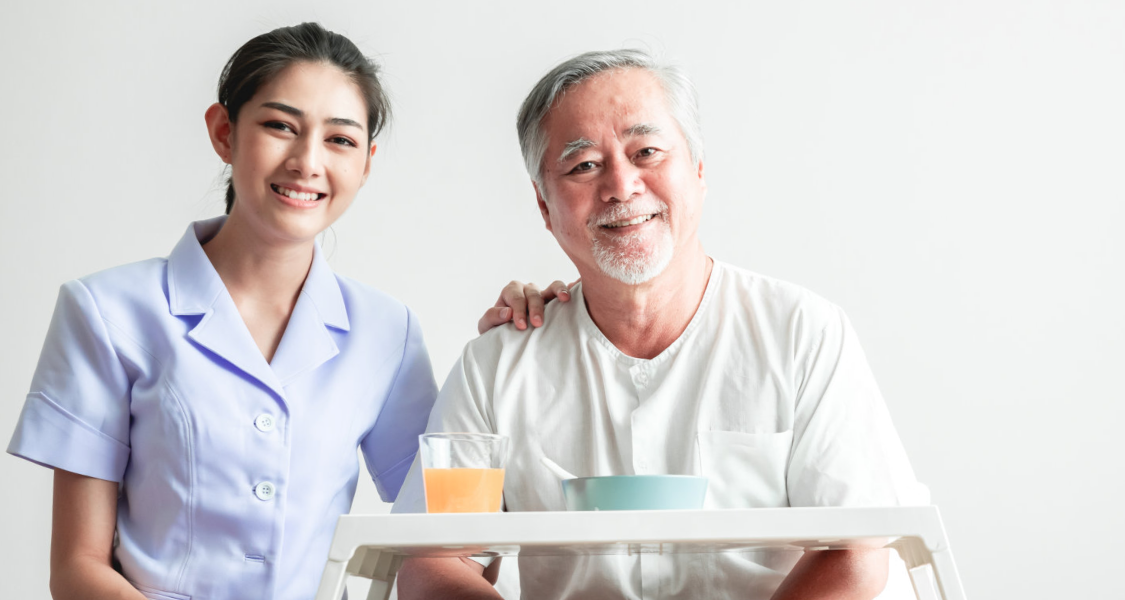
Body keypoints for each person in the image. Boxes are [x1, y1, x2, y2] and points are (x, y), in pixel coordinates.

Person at [394, 50, 931, 600]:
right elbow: (434, 562)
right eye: (583, 165)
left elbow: (860, 553)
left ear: (698, 171)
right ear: (544, 205)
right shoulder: (497, 365)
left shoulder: (802, 334)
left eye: (646, 151)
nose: (622, 186)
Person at [4, 23, 437, 600]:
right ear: (223, 132)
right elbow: (77, 568)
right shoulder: (107, 312)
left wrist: (522, 335)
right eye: (281, 126)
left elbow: (448, 530)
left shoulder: (387, 331)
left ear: (366, 163)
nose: (308, 162)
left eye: (340, 140)